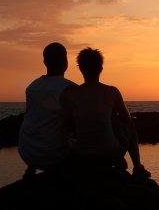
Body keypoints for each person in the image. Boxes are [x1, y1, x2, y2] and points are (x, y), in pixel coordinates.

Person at [64, 47, 151, 178]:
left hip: (82, 155)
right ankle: (138, 167)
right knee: (130, 124)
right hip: (109, 154)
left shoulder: (70, 93)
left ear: (80, 68)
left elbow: (68, 124)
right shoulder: (112, 92)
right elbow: (126, 120)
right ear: (101, 68)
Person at [18, 42, 76, 179]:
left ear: (44, 61)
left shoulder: (32, 87)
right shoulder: (70, 88)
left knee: (44, 125)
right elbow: (76, 124)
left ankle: (31, 170)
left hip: (27, 152)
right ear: (65, 61)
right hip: (54, 155)